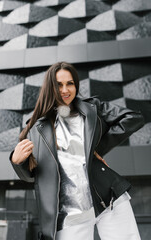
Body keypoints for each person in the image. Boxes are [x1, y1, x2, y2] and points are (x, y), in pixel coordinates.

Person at [10, 62, 144, 240]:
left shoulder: (90, 109)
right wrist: (18, 162)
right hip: (68, 215)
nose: (65, 90)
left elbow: (133, 118)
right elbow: (32, 175)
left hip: (109, 198)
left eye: (70, 83)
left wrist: (97, 149)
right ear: (50, 87)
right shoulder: (35, 128)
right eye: (59, 85)